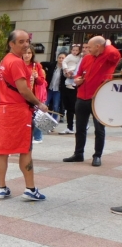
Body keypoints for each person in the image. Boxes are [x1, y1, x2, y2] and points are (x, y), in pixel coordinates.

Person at [0, 30, 48, 201]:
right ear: (11, 44)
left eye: (27, 41)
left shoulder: (4, 61)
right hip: (18, 111)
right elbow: (23, 89)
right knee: (25, 150)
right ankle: (30, 189)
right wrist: (39, 103)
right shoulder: (16, 62)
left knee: (2, 151)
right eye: (21, 41)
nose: (26, 45)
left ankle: (2, 188)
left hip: (3, 110)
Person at [63, 36, 121, 167]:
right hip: (82, 96)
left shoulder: (108, 57)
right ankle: (78, 154)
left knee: (99, 129)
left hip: (98, 98)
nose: (87, 49)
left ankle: (97, 155)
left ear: (98, 47)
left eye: (89, 47)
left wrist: (107, 43)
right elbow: (79, 73)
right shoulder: (87, 58)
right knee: (80, 128)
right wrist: (77, 79)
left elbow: (114, 53)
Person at [22, 47, 47, 144]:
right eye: (25, 52)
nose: (27, 55)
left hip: (33, 95)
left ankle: (37, 137)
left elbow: (41, 82)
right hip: (21, 95)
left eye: (29, 53)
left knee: (37, 116)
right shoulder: (18, 64)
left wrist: (36, 77)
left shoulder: (36, 66)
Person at [59, 44, 82, 134]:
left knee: (73, 107)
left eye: (77, 50)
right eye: (73, 50)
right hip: (68, 81)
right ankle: (70, 127)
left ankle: (82, 123)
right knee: (68, 107)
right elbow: (64, 63)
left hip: (76, 84)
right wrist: (66, 70)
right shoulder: (69, 57)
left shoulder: (81, 58)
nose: (75, 52)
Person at [43, 52, 66, 122]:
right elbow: (41, 63)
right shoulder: (52, 65)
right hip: (50, 89)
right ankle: (44, 120)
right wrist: (45, 72)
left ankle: (53, 121)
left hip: (58, 90)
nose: (61, 59)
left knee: (56, 107)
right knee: (45, 104)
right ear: (57, 58)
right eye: (59, 58)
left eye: (63, 58)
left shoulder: (65, 68)